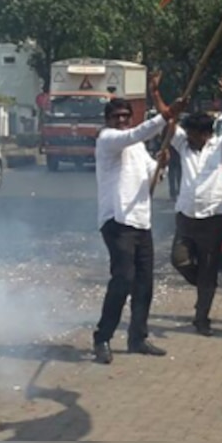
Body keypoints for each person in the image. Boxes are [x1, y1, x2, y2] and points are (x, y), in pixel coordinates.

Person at [92, 72, 182, 365]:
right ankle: (102, 337)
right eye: (116, 116)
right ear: (109, 120)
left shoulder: (138, 147)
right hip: (117, 222)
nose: (121, 120)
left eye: (125, 116)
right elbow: (135, 134)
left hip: (141, 221)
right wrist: (164, 115)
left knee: (144, 283)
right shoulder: (108, 140)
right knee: (123, 279)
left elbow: (150, 176)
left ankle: (137, 337)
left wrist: (162, 165)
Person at [170, 78, 222, 337]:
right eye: (187, 134)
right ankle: (203, 282)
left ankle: (202, 318)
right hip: (186, 216)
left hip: (212, 218)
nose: (188, 138)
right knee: (178, 259)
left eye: (193, 135)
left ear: (205, 134)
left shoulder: (221, 148)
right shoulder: (184, 146)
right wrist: (160, 97)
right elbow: (168, 124)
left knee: (209, 269)